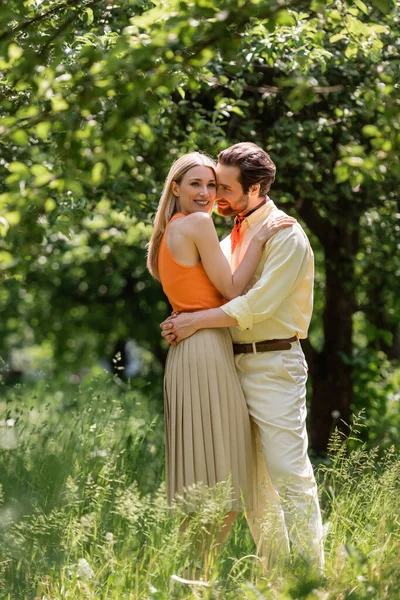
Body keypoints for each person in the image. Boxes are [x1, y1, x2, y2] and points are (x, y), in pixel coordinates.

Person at [161, 142, 325, 573]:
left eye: (225, 187)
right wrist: (187, 315)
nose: (215, 195)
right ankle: (278, 577)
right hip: (229, 364)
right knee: (253, 487)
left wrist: (195, 323)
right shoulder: (228, 232)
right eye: (211, 184)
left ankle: (311, 578)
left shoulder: (286, 234)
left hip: (273, 364)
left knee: (289, 474)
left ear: (256, 189)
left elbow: (253, 305)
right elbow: (215, 286)